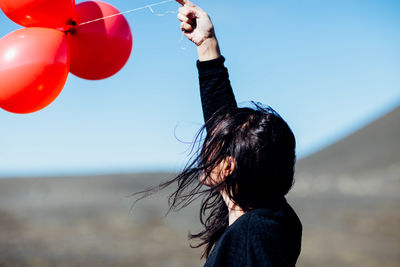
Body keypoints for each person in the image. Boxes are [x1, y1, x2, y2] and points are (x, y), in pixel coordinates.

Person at [136, 1, 302, 266]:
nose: (207, 143)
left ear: (228, 167)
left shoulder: (255, 232)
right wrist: (206, 44)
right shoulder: (268, 212)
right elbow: (222, 122)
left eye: (215, 142)